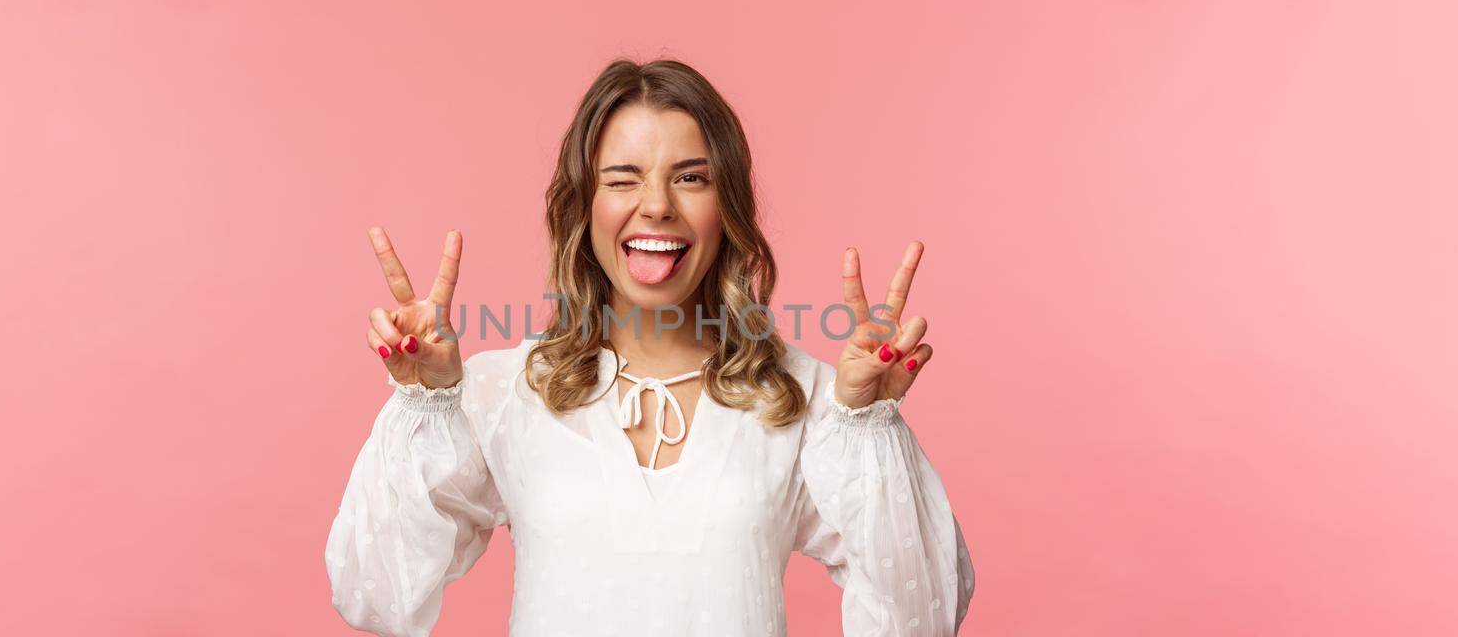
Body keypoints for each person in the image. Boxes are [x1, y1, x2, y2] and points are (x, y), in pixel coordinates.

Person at [325, 58, 974, 636]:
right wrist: (425, 405)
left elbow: (919, 621)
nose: (657, 206)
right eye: (624, 178)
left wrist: (873, 426)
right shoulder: (503, 390)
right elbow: (377, 599)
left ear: (729, 208)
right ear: (585, 206)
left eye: (691, 178)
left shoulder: (801, 398)